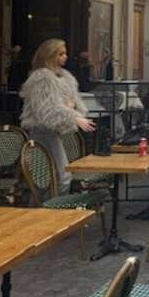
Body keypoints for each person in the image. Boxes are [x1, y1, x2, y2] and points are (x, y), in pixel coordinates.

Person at [19, 39, 95, 194]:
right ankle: (54, 206)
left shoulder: (64, 77)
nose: (65, 57)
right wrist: (73, 117)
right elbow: (47, 109)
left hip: (56, 131)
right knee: (59, 177)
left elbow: (71, 102)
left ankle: (47, 206)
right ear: (50, 55)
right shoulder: (42, 78)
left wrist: (72, 110)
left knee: (53, 177)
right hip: (42, 131)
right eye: (60, 54)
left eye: (65, 53)